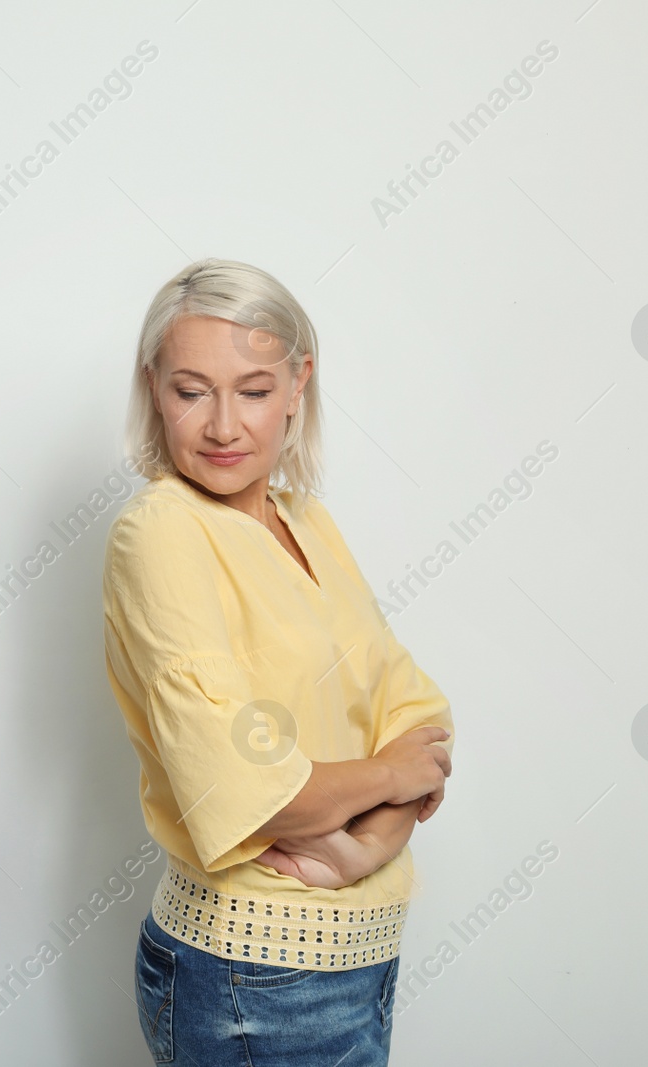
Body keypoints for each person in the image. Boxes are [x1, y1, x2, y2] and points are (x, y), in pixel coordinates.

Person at [102, 258, 455, 1065]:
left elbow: (420, 717)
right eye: (192, 390)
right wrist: (391, 779)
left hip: (358, 960)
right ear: (154, 387)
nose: (224, 425)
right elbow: (241, 788)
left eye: (254, 390)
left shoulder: (306, 520)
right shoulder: (161, 531)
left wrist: (366, 841)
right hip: (251, 972)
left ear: (300, 382)